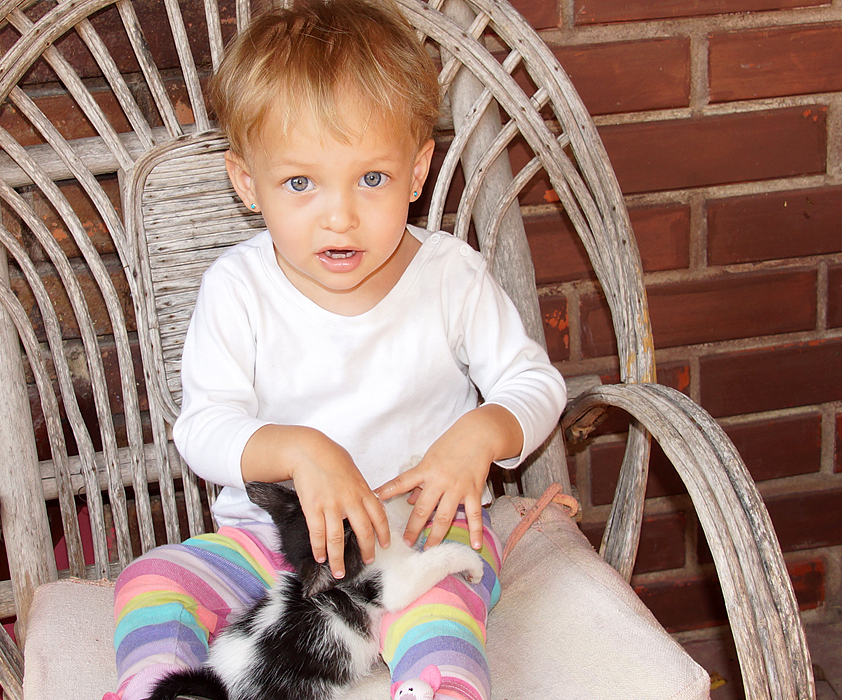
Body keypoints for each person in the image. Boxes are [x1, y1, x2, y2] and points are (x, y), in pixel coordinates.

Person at [110, 0, 567, 698]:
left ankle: (440, 688)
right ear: (246, 183)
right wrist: (298, 451)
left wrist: (483, 431)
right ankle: (153, 688)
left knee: (442, 608)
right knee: (152, 580)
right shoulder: (238, 289)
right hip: (273, 549)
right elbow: (202, 430)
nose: (340, 215)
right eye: (300, 183)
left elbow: (534, 384)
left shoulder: (448, 278)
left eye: (372, 179)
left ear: (416, 173)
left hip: (416, 543)